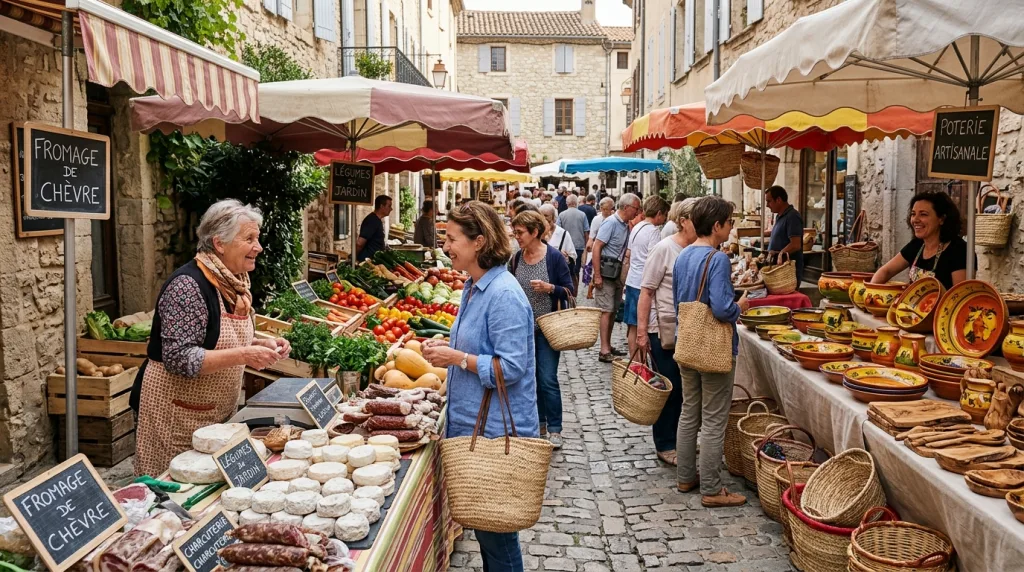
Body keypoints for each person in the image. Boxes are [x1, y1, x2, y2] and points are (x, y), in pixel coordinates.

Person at [133, 200, 291, 477]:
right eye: (250, 239)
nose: (259, 247)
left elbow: (215, 339)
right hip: (176, 413)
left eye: (258, 238)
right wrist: (244, 355)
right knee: (174, 492)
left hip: (213, 412)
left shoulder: (234, 284)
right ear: (219, 244)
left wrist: (260, 344)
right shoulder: (188, 286)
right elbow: (179, 358)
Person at [420, 201, 537, 571]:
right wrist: (450, 349)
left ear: (480, 242)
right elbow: (477, 347)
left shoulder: (504, 295)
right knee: (490, 535)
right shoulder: (475, 286)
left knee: (498, 539)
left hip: (495, 434)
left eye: (452, 239)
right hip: (475, 428)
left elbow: (513, 366)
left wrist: (456, 359)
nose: (446, 246)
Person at [673, 196, 749, 508]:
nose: (732, 229)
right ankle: (713, 489)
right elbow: (720, 307)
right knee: (715, 418)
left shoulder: (683, 254)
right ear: (716, 226)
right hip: (713, 346)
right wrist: (739, 306)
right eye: (730, 223)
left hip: (688, 341)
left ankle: (686, 476)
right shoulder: (716, 259)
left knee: (690, 410)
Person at [636, 199, 698, 466]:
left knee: (687, 390)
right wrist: (641, 333)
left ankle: (680, 440)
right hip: (662, 330)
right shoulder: (664, 248)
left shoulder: (698, 248)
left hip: (691, 330)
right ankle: (664, 444)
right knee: (669, 388)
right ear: (684, 221)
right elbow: (646, 291)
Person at [509, 210, 574, 449]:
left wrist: (549, 288)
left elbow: (569, 290)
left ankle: (555, 428)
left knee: (547, 378)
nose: (516, 237)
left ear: (535, 232)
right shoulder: (515, 259)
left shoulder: (554, 258)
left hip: (548, 328)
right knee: (531, 378)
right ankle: (540, 422)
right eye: (515, 232)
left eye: (520, 232)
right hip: (522, 330)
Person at [871, 191, 968, 289]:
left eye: (923, 214)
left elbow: (960, 295)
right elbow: (886, 271)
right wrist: (871, 291)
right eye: (913, 214)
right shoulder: (917, 245)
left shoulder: (959, 250)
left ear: (941, 219)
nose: (915, 219)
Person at [592, 193, 641, 363]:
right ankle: (604, 349)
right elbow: (596, 247)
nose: (637, 212)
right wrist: (597, 275)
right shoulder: (611, 223)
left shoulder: (626, 225)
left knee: (612, 310)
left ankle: (608, 344)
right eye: (636, 208)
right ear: (626, 207)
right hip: (606, 272)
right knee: (606, 311)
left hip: (616, 272)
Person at [624, 196, 670, 357]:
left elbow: (629, 253)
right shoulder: (653, 231)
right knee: (643, 326)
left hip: (632, 279)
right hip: (642, 282)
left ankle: (635, 363)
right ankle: (641, 365)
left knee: (632, 325)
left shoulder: (637, 227)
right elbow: (654, 258)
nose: (664, 220)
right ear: (658, 214)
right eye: (664, 216)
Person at [765, 185, 804, 279]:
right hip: (778, 269)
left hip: (787, 271)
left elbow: (795, 244)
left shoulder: (792, 216)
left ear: (778, 200)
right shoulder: (779, 216)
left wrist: (781, 254)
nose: (767, 205)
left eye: (769, 201)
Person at [557, 194, 590, 291]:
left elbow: (558, 230)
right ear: (576, 203)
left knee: (564, 269)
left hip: (564, 247)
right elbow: (586, 232)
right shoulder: (582, 215)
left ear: (567, 203)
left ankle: (566, 289)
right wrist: (586, 246)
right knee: (576, 270)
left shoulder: (562, 214)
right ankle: (575, 291)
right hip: (578, 245)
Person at [585, 196, 616, 299]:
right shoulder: (597, 219)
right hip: (599, 249)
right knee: (596, 271)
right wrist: (589, 244)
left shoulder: (615, 219)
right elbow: (591, 235)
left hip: (611, 251)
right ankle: (591, 290)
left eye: (608, 209)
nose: (605, 211)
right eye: (603, 209)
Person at [356, 195, 392, 261]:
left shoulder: (377, 220)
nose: (391, 209)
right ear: (381, 206)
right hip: (367, 261)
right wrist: (355, 257)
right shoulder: (372, 220)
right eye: (389, 206)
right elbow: (359, 243)